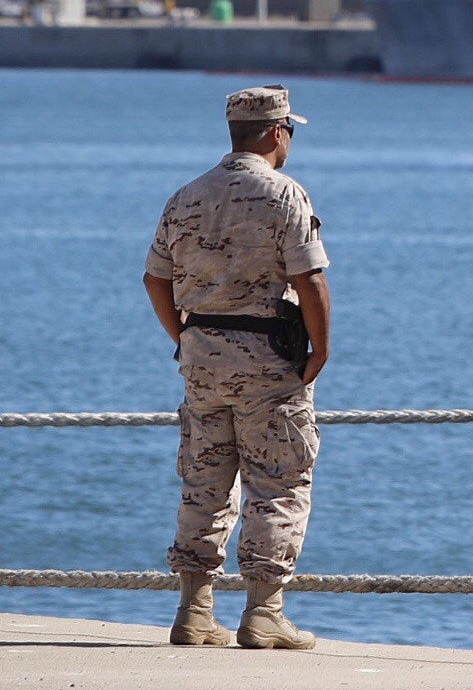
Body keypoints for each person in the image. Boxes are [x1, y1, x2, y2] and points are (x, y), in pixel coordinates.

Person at [142, 85, 331, 652]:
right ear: (277, 132)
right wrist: (320, 350)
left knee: (204, 480)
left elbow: (155, 278)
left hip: (201, 359)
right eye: (289, 131)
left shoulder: (186, 197)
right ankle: (264, 613)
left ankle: (194, 610)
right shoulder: (284, 194)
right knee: (277, 483)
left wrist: (184, 335)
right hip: (269, 360)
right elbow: (310, 280)